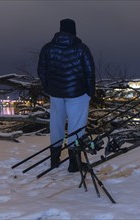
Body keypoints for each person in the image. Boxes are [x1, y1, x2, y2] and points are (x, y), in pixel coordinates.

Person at [37, 18, 95, 172]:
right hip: (78, 94)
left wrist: (48, 88)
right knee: (77, 128)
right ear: (74, 31)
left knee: (56, 126)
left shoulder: (47, 48)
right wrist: (90, 93)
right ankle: (74, 163)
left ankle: (54, 160)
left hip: (56, 94)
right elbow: (90, 73)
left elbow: (41, 71)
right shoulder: (82, 48)